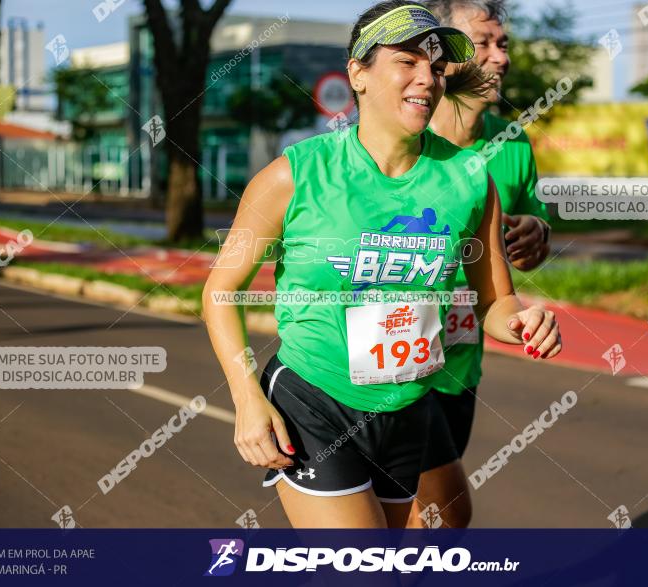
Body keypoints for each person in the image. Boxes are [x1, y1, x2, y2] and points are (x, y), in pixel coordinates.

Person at [203, 0, 562, 529]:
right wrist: (247, 397)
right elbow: (220, 290)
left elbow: (494, 302)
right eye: (408, 61)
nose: (427, 79)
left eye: (437, 67)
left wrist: (522, 320)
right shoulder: (293, 176)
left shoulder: (469, 178)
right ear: (359, 73)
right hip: (316, 400)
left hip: (409, 409)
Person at [408, 0, 553, 528]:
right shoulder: (404, 141)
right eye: (483, 43)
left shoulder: (513, 144)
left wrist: (538, 231)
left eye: (504, 43)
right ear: (441, 54)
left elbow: (529, 229)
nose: (500, 58)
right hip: (393, 364)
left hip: (462, 363)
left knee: (416, 517)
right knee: (446, 517)